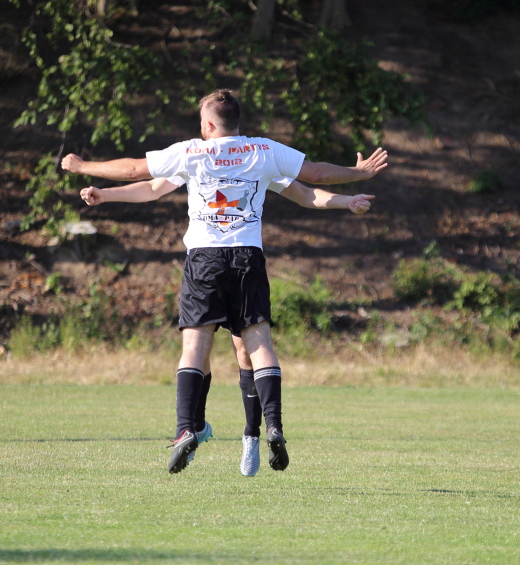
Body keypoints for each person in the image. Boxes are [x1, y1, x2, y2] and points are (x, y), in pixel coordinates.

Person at [62, 89, 386, 474]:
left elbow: (138, 171)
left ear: (209, 124)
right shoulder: (262, 152)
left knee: (195, 347)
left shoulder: (191, 152)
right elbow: (311, 177)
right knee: (258, 344)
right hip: (247, 259)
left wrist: (84, 167)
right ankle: (274, 426)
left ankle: (187, 429)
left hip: (205, 260)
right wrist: (357, 175)